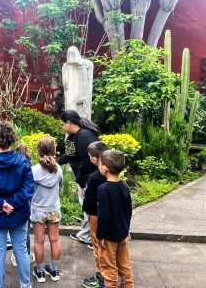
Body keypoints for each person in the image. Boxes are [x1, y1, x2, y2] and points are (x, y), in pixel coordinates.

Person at [0, 121, 34, 288]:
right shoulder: (23, 162)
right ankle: (25, 285)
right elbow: (28, 188)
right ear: (12, 139)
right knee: (21, 250)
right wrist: (10, 204)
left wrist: (1, 204)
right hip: (18, 214)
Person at [57, 110, 99, 245]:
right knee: (86, 208)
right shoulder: (72, 137)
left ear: (69, 123)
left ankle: (94, 240)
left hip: (89, 179)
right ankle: (86, 235)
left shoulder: (84, 136)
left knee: (91, 209)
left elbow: (88, 162)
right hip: (82, 178)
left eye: (62, 124)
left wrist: (81, 183)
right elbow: (69, 156)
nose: (61, 126)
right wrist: (54, 162)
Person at [97, 150, 134, 288]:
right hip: (123, 234)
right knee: (125, 265)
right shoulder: (124, 186)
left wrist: (100, 236)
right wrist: (127, 230)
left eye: (100, 164)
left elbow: (104, 215)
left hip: (109, 237)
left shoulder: (103, 189)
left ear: (105, 167)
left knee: (108, 268)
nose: (99, 166)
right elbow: (128, 211)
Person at [30, 137, 63, 283]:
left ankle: (40, 271)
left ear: (39, 151)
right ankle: (54, 270)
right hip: (53, 209)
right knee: (55, 240)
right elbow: (60, 189)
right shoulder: (59, 169)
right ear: (54, 151)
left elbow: (29, 191)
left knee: (38, 241)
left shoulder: (34, 171)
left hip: (38, 210)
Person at [82, 141, 109, 288]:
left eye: (89, 156)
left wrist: (85, 203)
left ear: (95, 157)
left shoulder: (94, 177)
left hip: (95, 216)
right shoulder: (111, 173)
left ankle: (100, 277)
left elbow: (89, 202)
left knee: (98, 246)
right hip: (109, 216)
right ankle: (109, 274)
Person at [11, 143, 34, 267]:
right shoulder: (30, 167)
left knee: (15, 233)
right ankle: (27, 254)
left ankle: (16, 256)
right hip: (26, 204)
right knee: (25, 232)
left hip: (15, 202)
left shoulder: (13, 167)